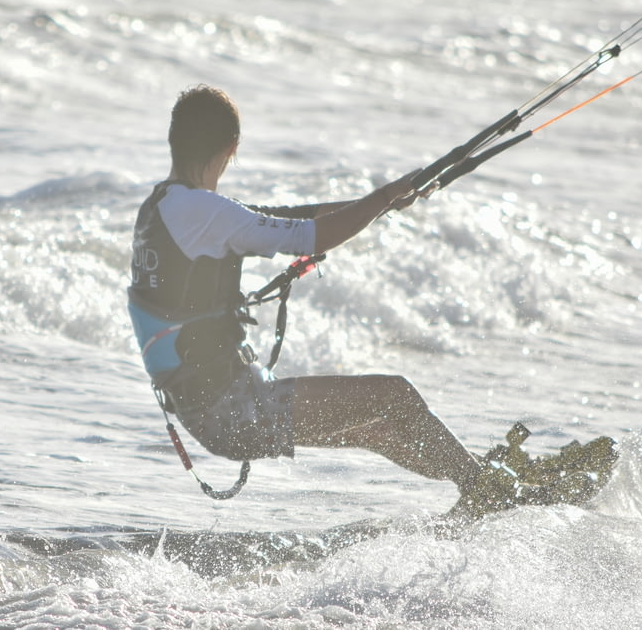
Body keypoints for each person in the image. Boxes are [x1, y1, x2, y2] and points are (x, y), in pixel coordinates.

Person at [128, 84, 507, 518]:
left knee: (378, 428)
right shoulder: (206, 211)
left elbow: (282, 215)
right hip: (233, 410)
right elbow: (311, 235)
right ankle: (488, 492)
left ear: (174, 141)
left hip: (209, 410)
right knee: (395, 396)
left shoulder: (162, 205)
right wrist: (382, 196)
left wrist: (379, 204)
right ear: (232, 148)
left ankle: (479, 480)